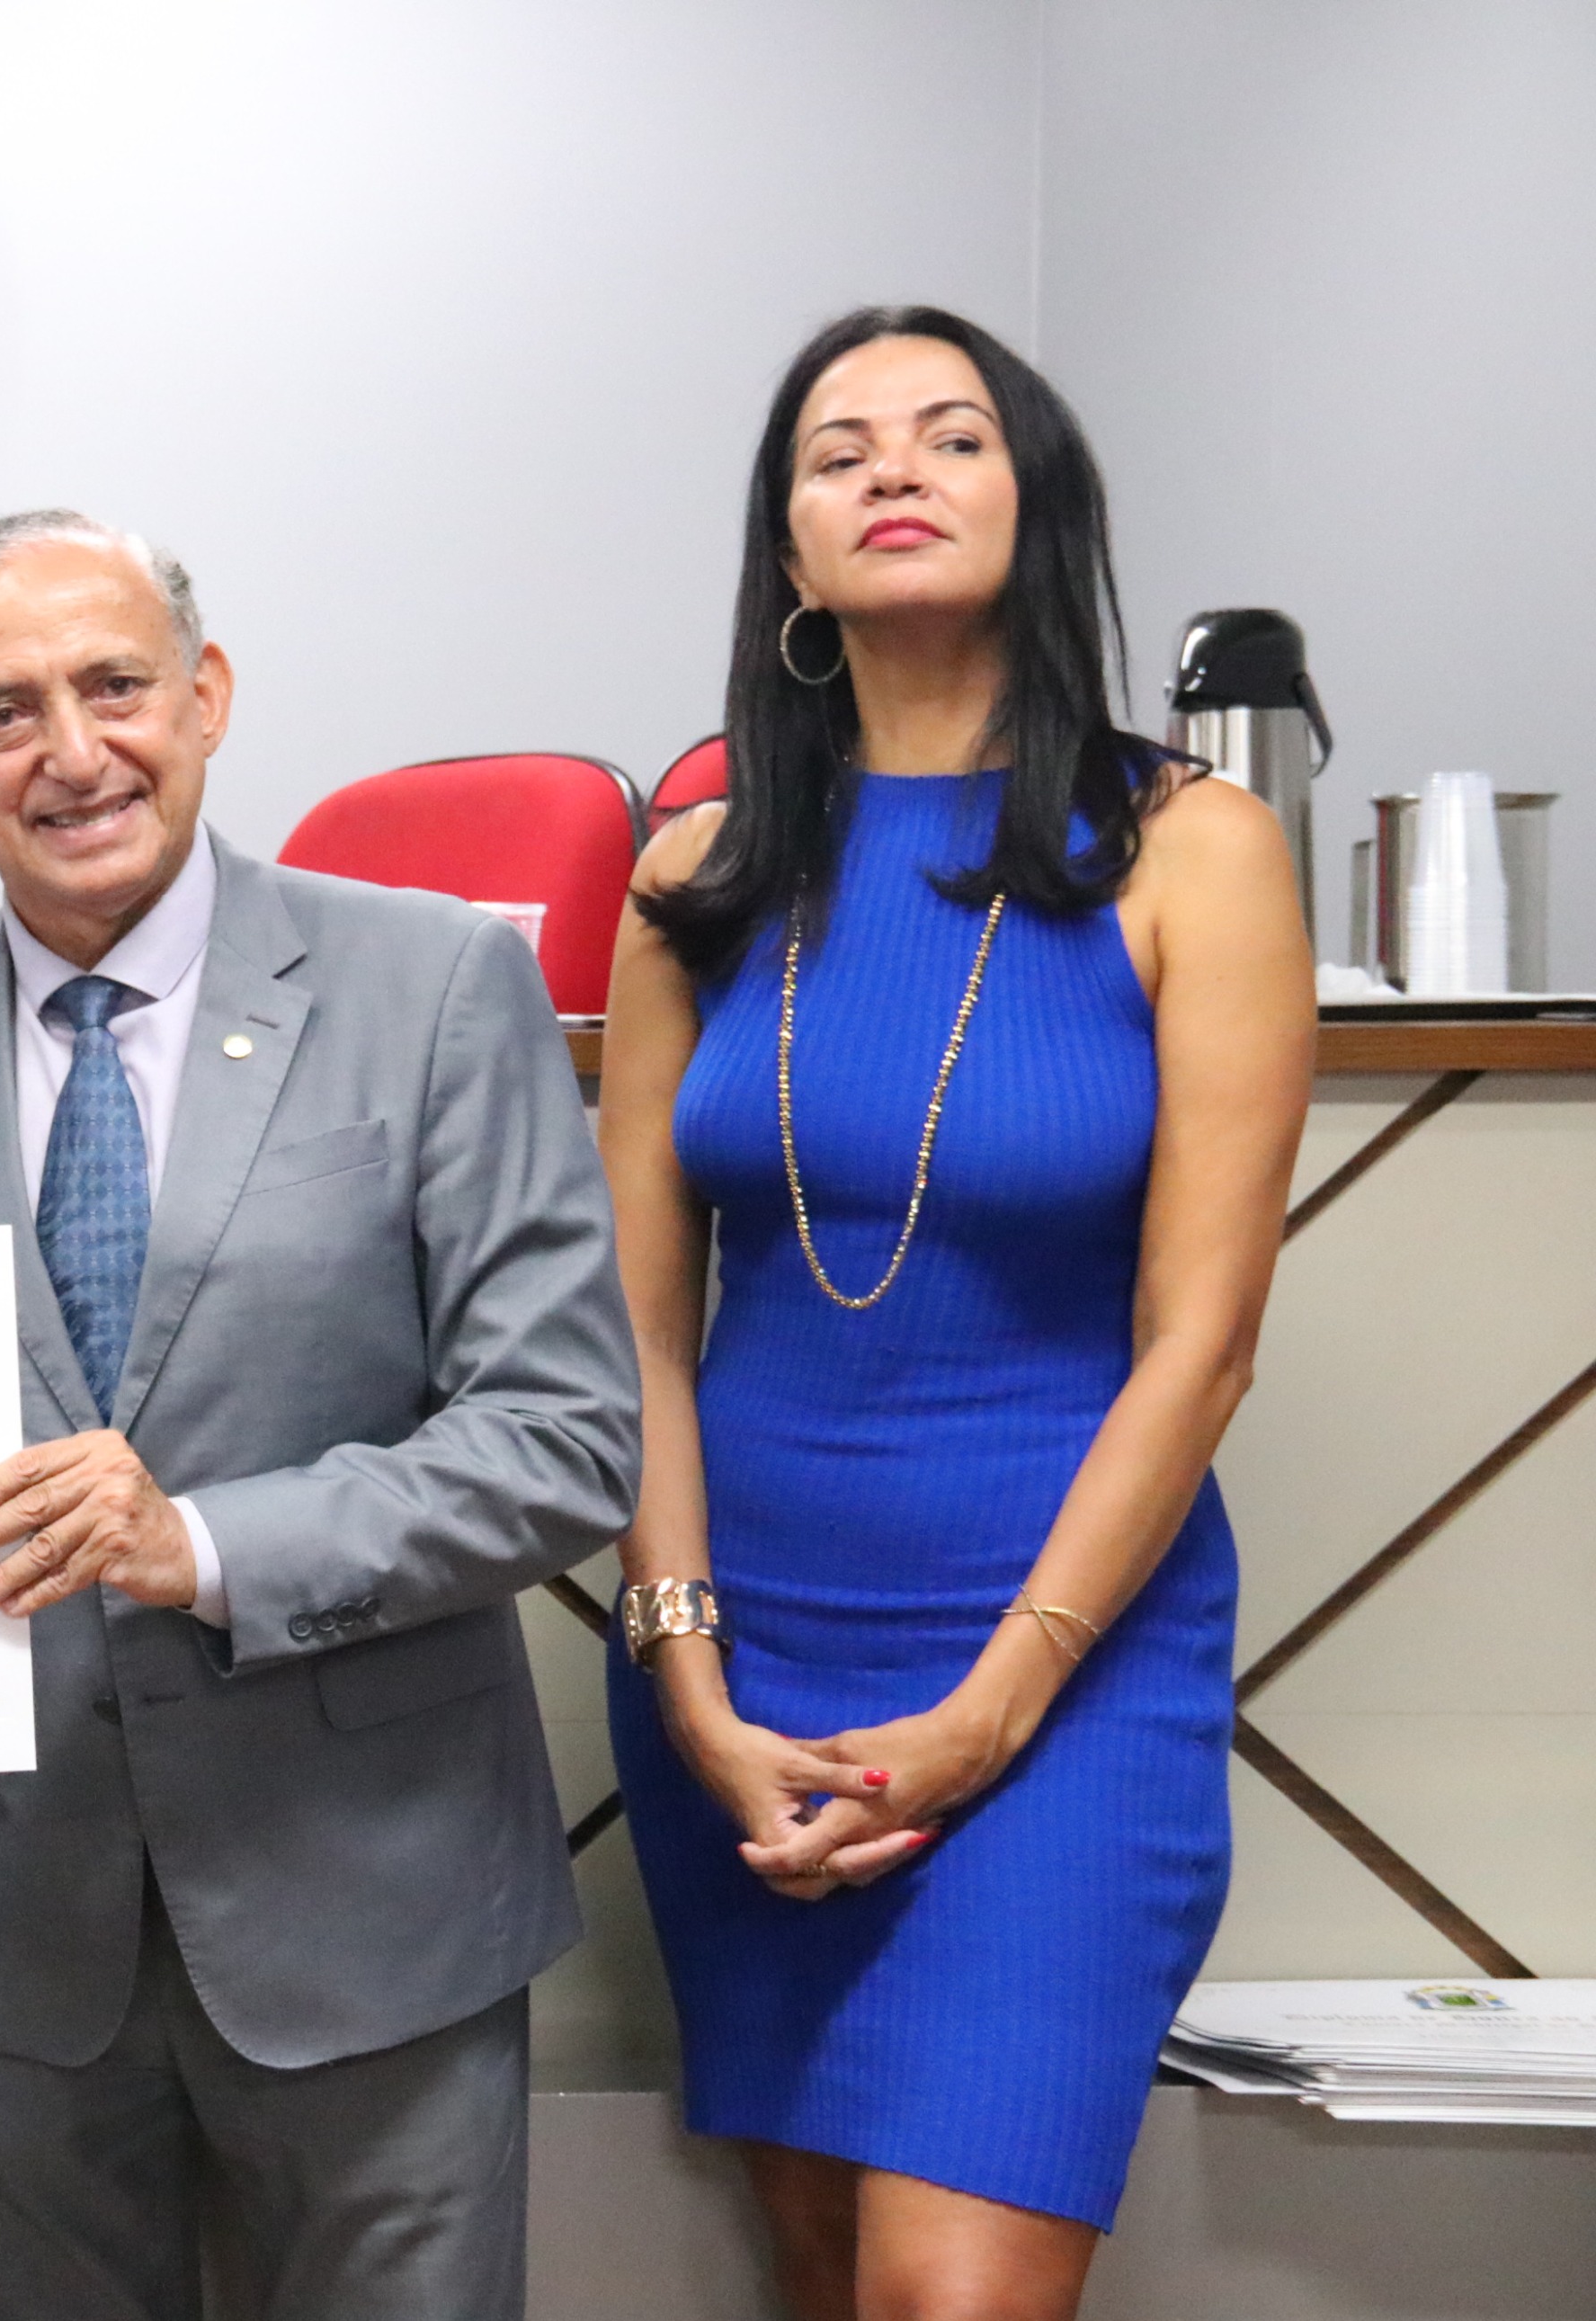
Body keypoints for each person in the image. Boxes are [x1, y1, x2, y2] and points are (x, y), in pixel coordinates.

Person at [0, 510, 643, 2319]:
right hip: (13, 1940)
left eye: (116, 686)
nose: (74, 750)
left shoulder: (435, 984)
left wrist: (195, 1542)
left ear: (208, 696)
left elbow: (564, 1433)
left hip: (372, 1913)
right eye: (3, 712)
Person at [598, 306, 1315, 2321]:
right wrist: (689, 1681)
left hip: (1063, 1673)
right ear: (792, 550)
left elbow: (1203, 1342)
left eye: (949, 436)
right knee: (824, 2277)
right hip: (743, 1678)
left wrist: (993, 1709)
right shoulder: (693, 877)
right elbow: (635, 1337)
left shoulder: (1193, 850)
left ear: (1038, 501)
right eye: (838, 454)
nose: (892, 472)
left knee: (951, 2296)